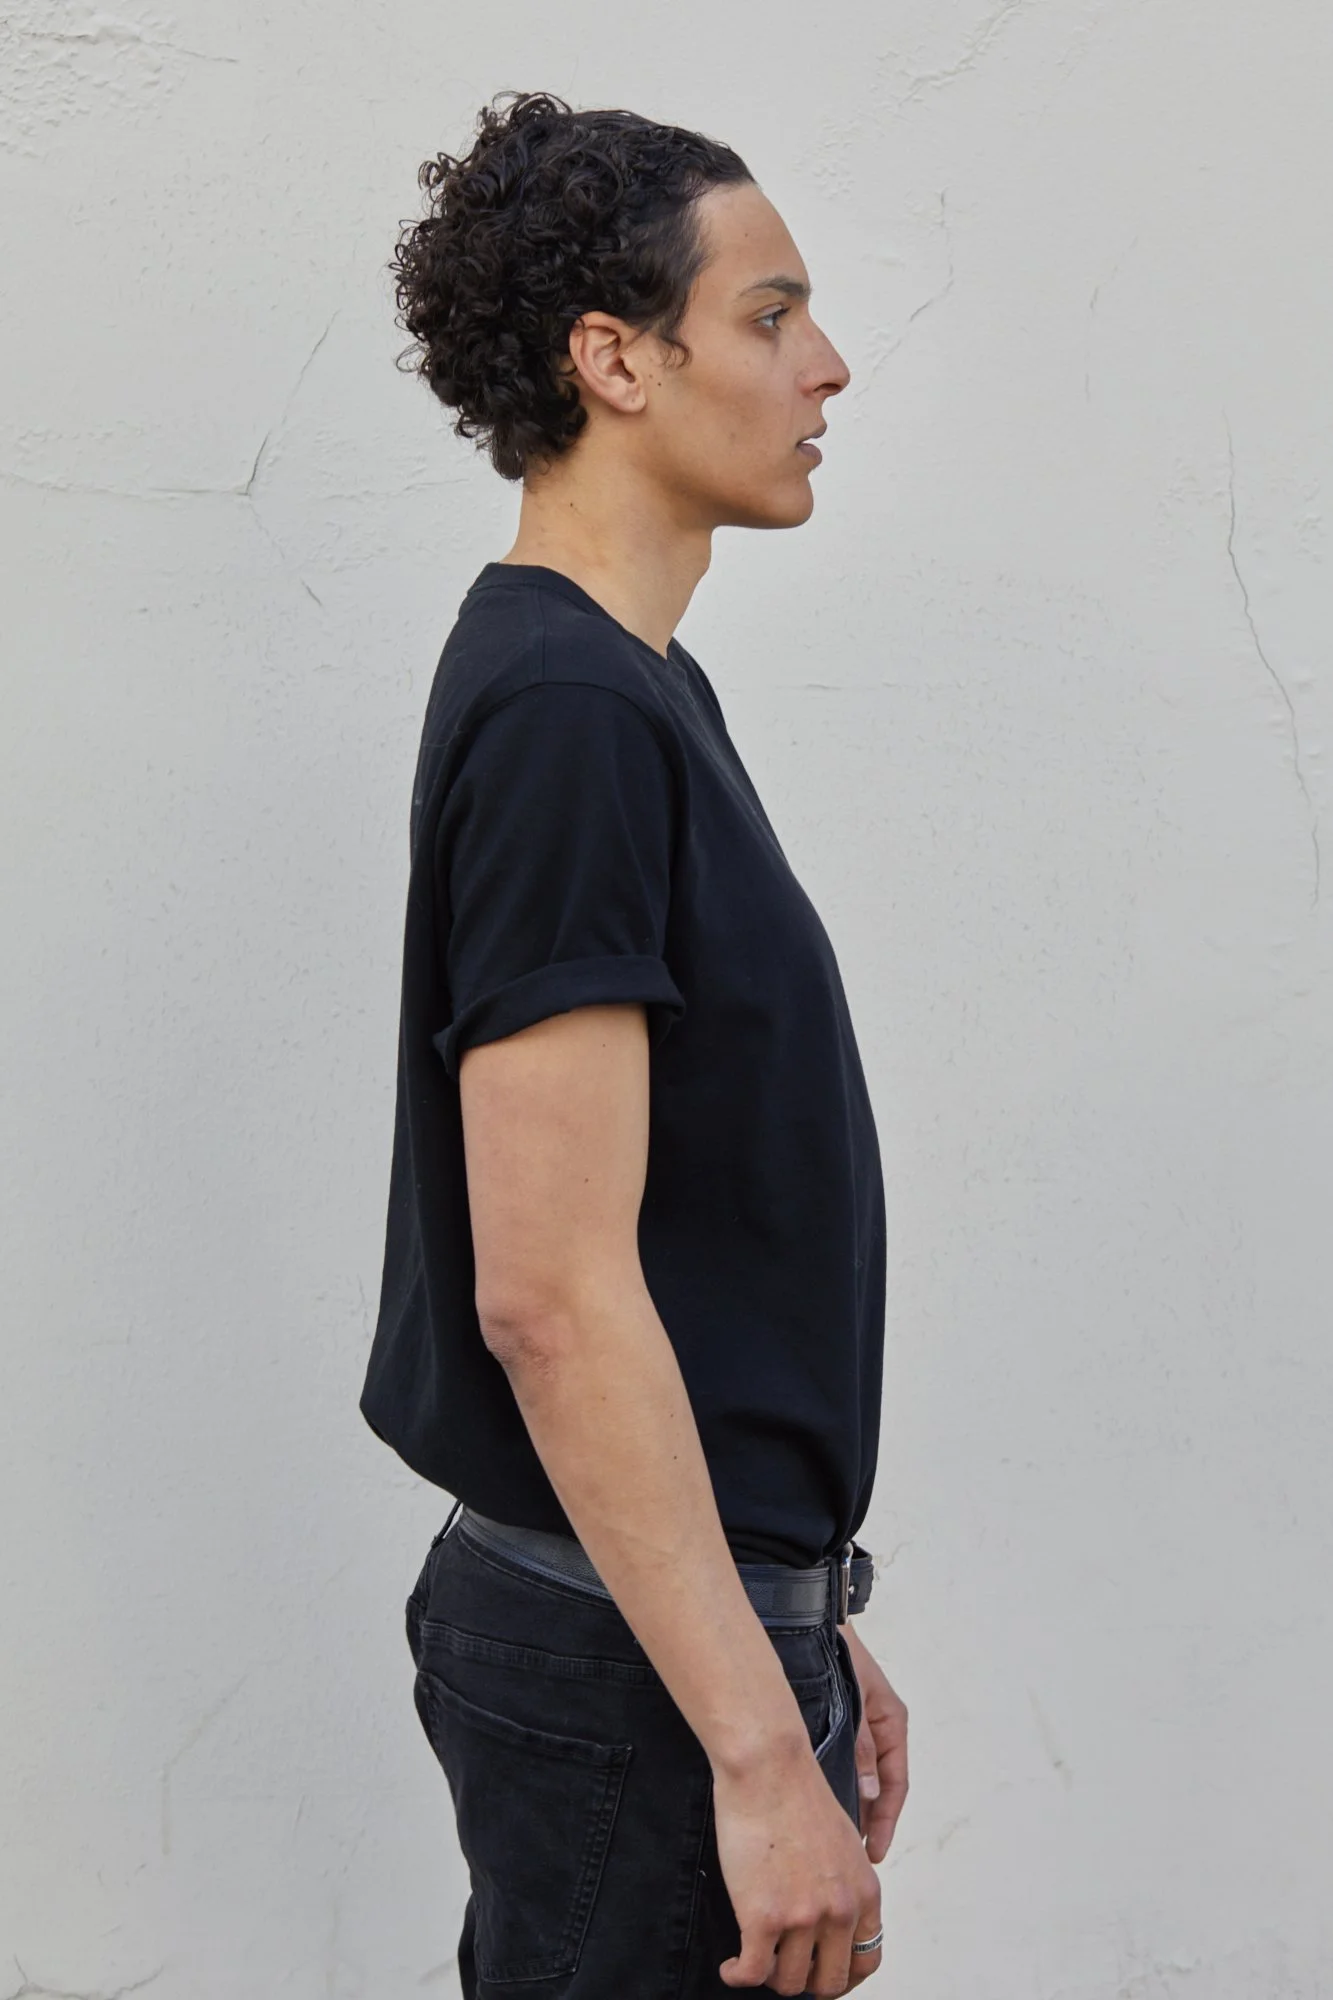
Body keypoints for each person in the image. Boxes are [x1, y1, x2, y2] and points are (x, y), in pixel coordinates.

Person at [359, 90, 909, 1998]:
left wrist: (800, 1623)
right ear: (615, 359)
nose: (826, 365)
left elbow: (690, 1242)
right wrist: (751, 1742)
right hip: (622, 1671)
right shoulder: (572, 714)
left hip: (666, 1629)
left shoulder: (627, 688)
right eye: (769, 314)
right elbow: (554, 1295)